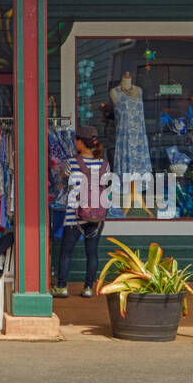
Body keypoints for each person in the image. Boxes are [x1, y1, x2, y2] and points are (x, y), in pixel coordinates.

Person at [53, 125, 109, 298]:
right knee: (92, 252)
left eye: (76, 140)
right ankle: (88, 288)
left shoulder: (72, 163)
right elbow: (106, 185)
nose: (74, 142)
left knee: (66, 252)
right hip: (97, 214)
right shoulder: (104, 164)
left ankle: (62, 287)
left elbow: (61, 179)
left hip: (74, 214)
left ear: (82, 143)